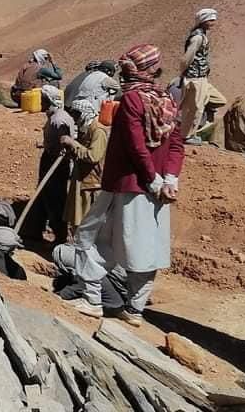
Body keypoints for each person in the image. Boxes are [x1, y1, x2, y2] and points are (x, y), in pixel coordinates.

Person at [71, 44, 184, 326]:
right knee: (148, 250)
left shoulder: (133, 100)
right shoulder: (167, 100)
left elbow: (136, 146)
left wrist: (151, 178)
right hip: (156, 191)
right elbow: (176, 145)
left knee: (91, 238)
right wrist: (168, 178)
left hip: (125, 184)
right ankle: (135, 309)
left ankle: (93, 299)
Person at [21, 84, 75, 246]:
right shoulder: (54, 117)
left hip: (56, 165)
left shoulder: (59, 120)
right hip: (50, 159)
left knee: (55, 199)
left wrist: (53, 150)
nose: (41, 103)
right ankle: (36, 230)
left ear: (50, 100)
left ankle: (60, 236)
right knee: (45, 197)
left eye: (43, 100)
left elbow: (65, 144)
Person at [180, 8, 227, 145]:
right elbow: (187, 58)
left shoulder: (201, 35)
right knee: (195, 107)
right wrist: (184, 73)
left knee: (199, 104)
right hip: (195, 77)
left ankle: (189, 133)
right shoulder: (198, 37)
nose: (213, 23)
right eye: (211, 20)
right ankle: (187, 136)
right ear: (204, 20)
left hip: (199, 76)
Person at [62, 99, 108, 235]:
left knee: (87, 222)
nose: (74, 119)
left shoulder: (98, 131)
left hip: (92, 184)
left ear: (84, 114)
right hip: (82, 180)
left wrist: (73, 144)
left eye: (77, 115)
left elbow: (93, 156)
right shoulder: (85, 129)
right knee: (77, 219)